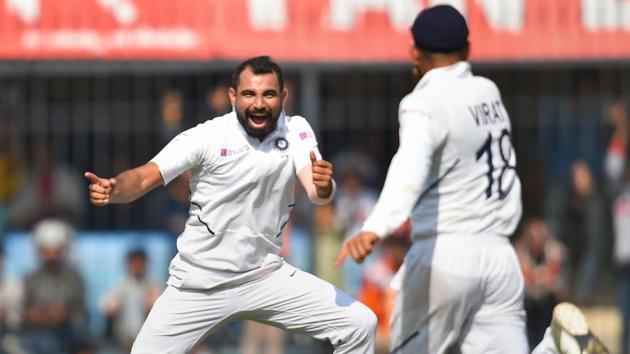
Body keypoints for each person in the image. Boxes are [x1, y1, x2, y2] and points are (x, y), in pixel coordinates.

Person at [335, 5, 607, 354]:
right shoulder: (488, 92)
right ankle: (556, 346)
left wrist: (376, 226)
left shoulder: (423, 102)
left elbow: (409, 165)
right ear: (467, 51)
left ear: (413, 52)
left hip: (446, 256)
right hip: (499, 258)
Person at [85, 56, 376, 354]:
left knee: (359, 324)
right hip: (199, 282)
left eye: (269, 94)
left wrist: (325, 184)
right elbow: (146, 176)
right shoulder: (206, 136)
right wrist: (115, 188)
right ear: (233, 96)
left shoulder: (296, 129)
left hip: (265, 277)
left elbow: (317, 191)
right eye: (249, 94)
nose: (259, 104)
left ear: (283, 97)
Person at [21, 218, 91, 354]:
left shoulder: (74, 278)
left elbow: (82, 309)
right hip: (38, 333)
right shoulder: (30, 279)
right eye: (47, 251)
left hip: (68, 332)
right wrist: (40, 315)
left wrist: (63, 313)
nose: (51, 256)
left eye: (55, 250)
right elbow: (23, 312)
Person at [101, 248, 162, 349]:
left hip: (149, 337)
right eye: (134, 263)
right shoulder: (120, 285)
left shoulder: (155, 285)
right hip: (123, 338)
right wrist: (113, 307)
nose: (137, 266)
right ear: (128, 264)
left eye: (140, 263)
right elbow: (106, 306)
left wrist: (154, 306)